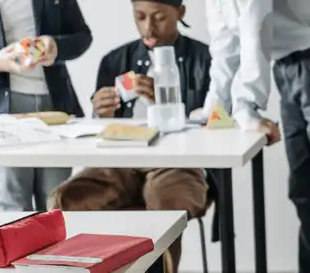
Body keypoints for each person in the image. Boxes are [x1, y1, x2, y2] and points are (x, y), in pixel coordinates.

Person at [46, 0, 220, 271]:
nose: (148, 27)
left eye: (159, 17)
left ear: (181, 13)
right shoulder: (114, 60)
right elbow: (100, 135)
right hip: (120, 163)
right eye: (139, 17)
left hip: (179, 163)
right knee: (66, 199)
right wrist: (101, 115)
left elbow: (219, 124)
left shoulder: (207, 59)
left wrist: (167, 105)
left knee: (166, 203)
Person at [202, 0, 310, 272]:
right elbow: (225, 39)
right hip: (288, 67)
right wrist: (214, 108)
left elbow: (254, 23)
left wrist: (247, 105)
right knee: (305, 197)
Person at [0, 0, 92, 211]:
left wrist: (56, 46)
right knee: (12, 204)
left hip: (55, 109)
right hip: (3, 113)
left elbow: (83, 37)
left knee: (56, 202)